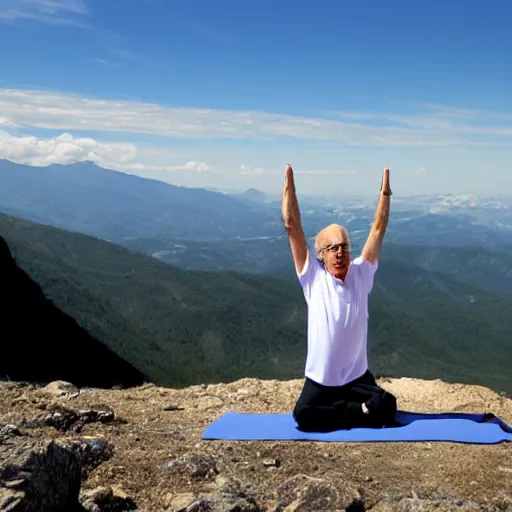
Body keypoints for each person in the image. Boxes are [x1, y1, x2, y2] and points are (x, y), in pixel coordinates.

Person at [281, 163, 397, 432]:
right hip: (322, 380)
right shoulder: (313, 278)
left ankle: (353, 410)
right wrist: (289, 188)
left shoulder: (361, 273)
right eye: (331, 248)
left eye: (343, 246)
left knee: (388, 406)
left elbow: (378, 230)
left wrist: (385, 194)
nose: (339, 252)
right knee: (303, 415)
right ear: (321, 255)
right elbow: (292, 226)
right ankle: (357, 413)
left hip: (356, 378)